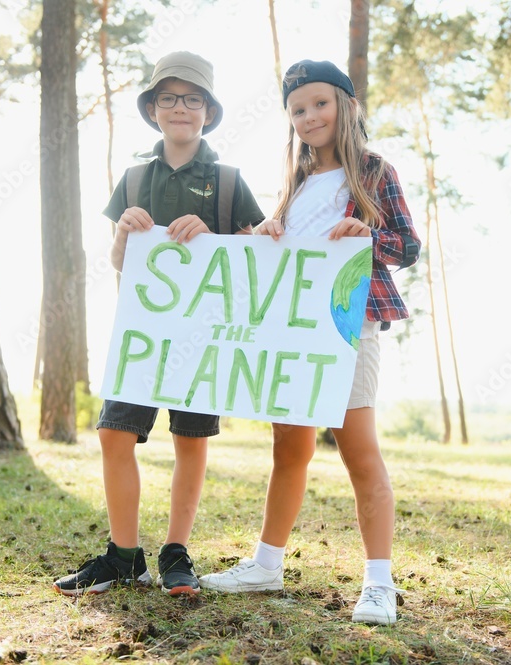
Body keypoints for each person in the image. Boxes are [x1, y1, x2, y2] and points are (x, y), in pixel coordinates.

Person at [198, 60, 420, 625]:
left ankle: (378, 584)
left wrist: (369, 235)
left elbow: (407, 246)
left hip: (347, 327)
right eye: (298, 109)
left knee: (359, 452)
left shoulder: (373, 171)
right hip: (292, 332)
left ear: (346, 105)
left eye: (320, 103)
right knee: (289, 450)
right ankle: (266, 565)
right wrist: (269, 229)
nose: (309, 116)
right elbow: (286, 252)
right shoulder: (294, 181)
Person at [53, 51, 264, 598]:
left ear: (208, 112)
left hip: (203, 333)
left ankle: (176, 554)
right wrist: (124, 232)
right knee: (112, 432)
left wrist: (221, 236)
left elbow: (260, 254)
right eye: (168, 98)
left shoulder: (228, 179)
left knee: (190, 439)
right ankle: (124, 556)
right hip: (143, 334)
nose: (180, 108)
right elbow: (121, 261)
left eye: (192, 98)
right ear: (153, 109)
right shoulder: (133, 176)